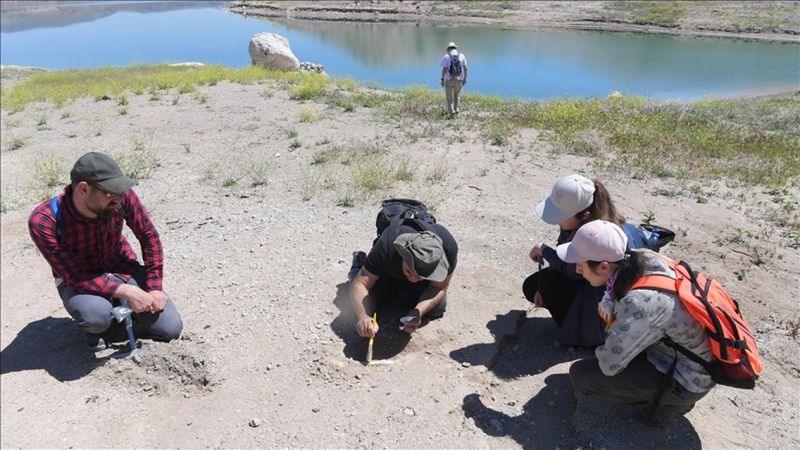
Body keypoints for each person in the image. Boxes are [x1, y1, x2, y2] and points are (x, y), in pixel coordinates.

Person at [560, 220, 714, 426]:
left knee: (582, 376)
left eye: (580, 265)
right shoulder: (641, 258)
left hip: (687, 379)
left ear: (604, 266)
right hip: (686, 355)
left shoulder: (639, 303)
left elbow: (609, 365)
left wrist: (607, 349)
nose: (578, 270)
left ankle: (669, 404)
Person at [28, 151, 183, 349]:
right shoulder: (45, 220)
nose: (119, 198)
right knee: (95, 317)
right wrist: (130, 292)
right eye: (111, 193)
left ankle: (120, 309)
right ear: (84, 189)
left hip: (120, 267)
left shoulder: (119, 196)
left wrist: (153, 287)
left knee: (170, 328)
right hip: (81, 281)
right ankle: (105, 326)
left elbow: (148, 236)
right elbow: (75, 277)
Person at [350, 220, 457, 338]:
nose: (414, 280)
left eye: (421, 276)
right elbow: (361, 284)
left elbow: (440, 286)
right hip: (388, 272)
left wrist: (418, 311)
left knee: (438, 308)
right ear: (402, 255)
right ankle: (359, 263)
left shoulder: (448, 249)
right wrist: (363, 316)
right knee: (367, 299)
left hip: (410, 274)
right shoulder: (387, 243)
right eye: (409, 271)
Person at [440, 41, 467, 118]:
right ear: (455, 48)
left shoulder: (446, 57)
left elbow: (444, 69)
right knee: (456, 95)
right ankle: (456, 109)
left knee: (449, 98)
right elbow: (465, 68)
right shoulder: (461, 56)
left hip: (449, 80)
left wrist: (442, 79)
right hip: (459, 80)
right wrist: (465, 78)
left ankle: (452, 113)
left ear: (448, 49)